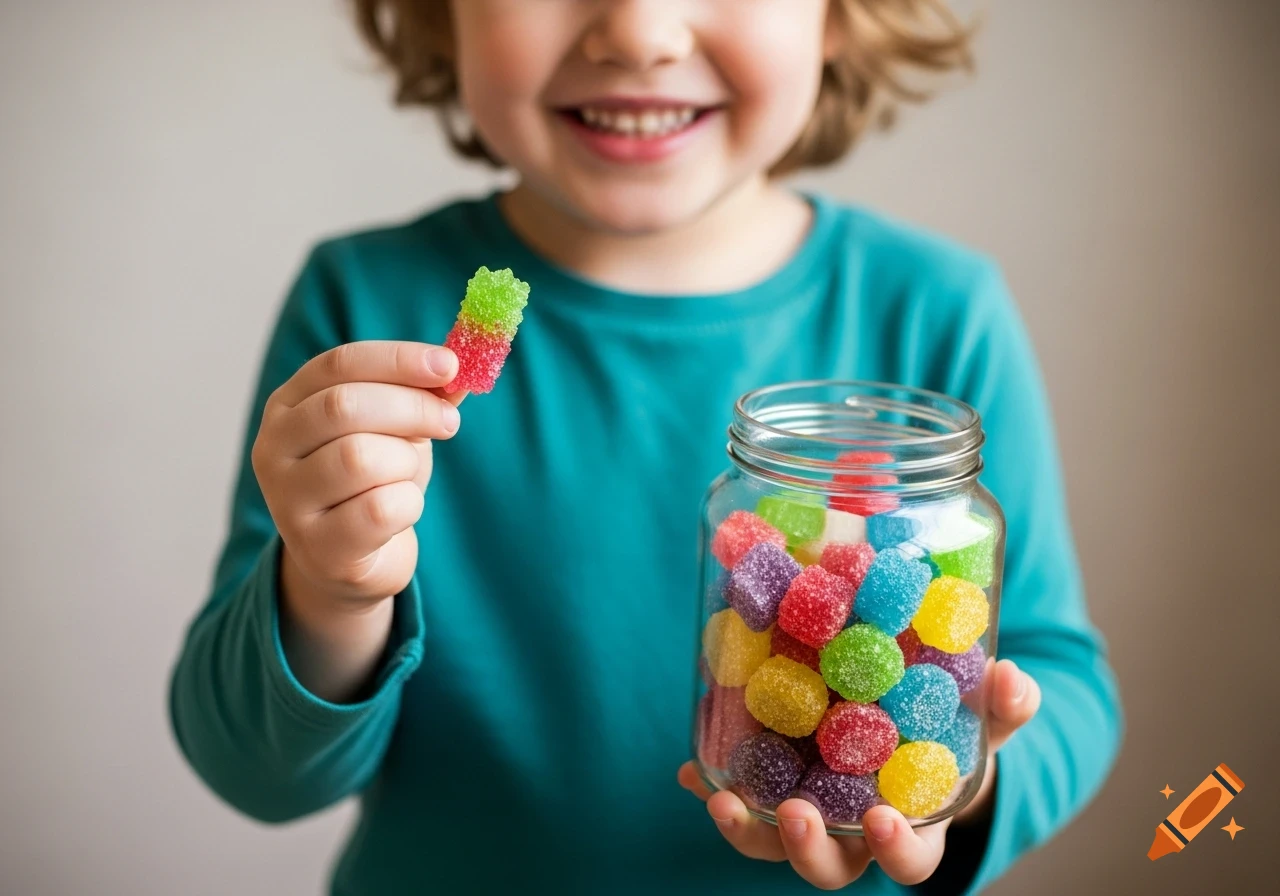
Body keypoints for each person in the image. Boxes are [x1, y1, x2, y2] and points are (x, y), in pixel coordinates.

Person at [168, 1, 1122, 892]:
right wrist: (330, 592)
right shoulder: (365, 317)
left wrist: (955, 788)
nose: (638, 32)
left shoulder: (937, 316)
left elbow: (1060, 680)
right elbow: (253, 770)